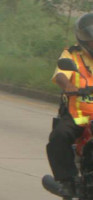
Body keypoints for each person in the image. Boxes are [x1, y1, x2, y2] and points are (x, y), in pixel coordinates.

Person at [46, 12, 93, 198]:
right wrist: (68, 86)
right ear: (83, 39)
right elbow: (60, 75)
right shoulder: (72, 55)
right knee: (59, 136)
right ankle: (66, 181)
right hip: (78, 116)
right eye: (91, 41)